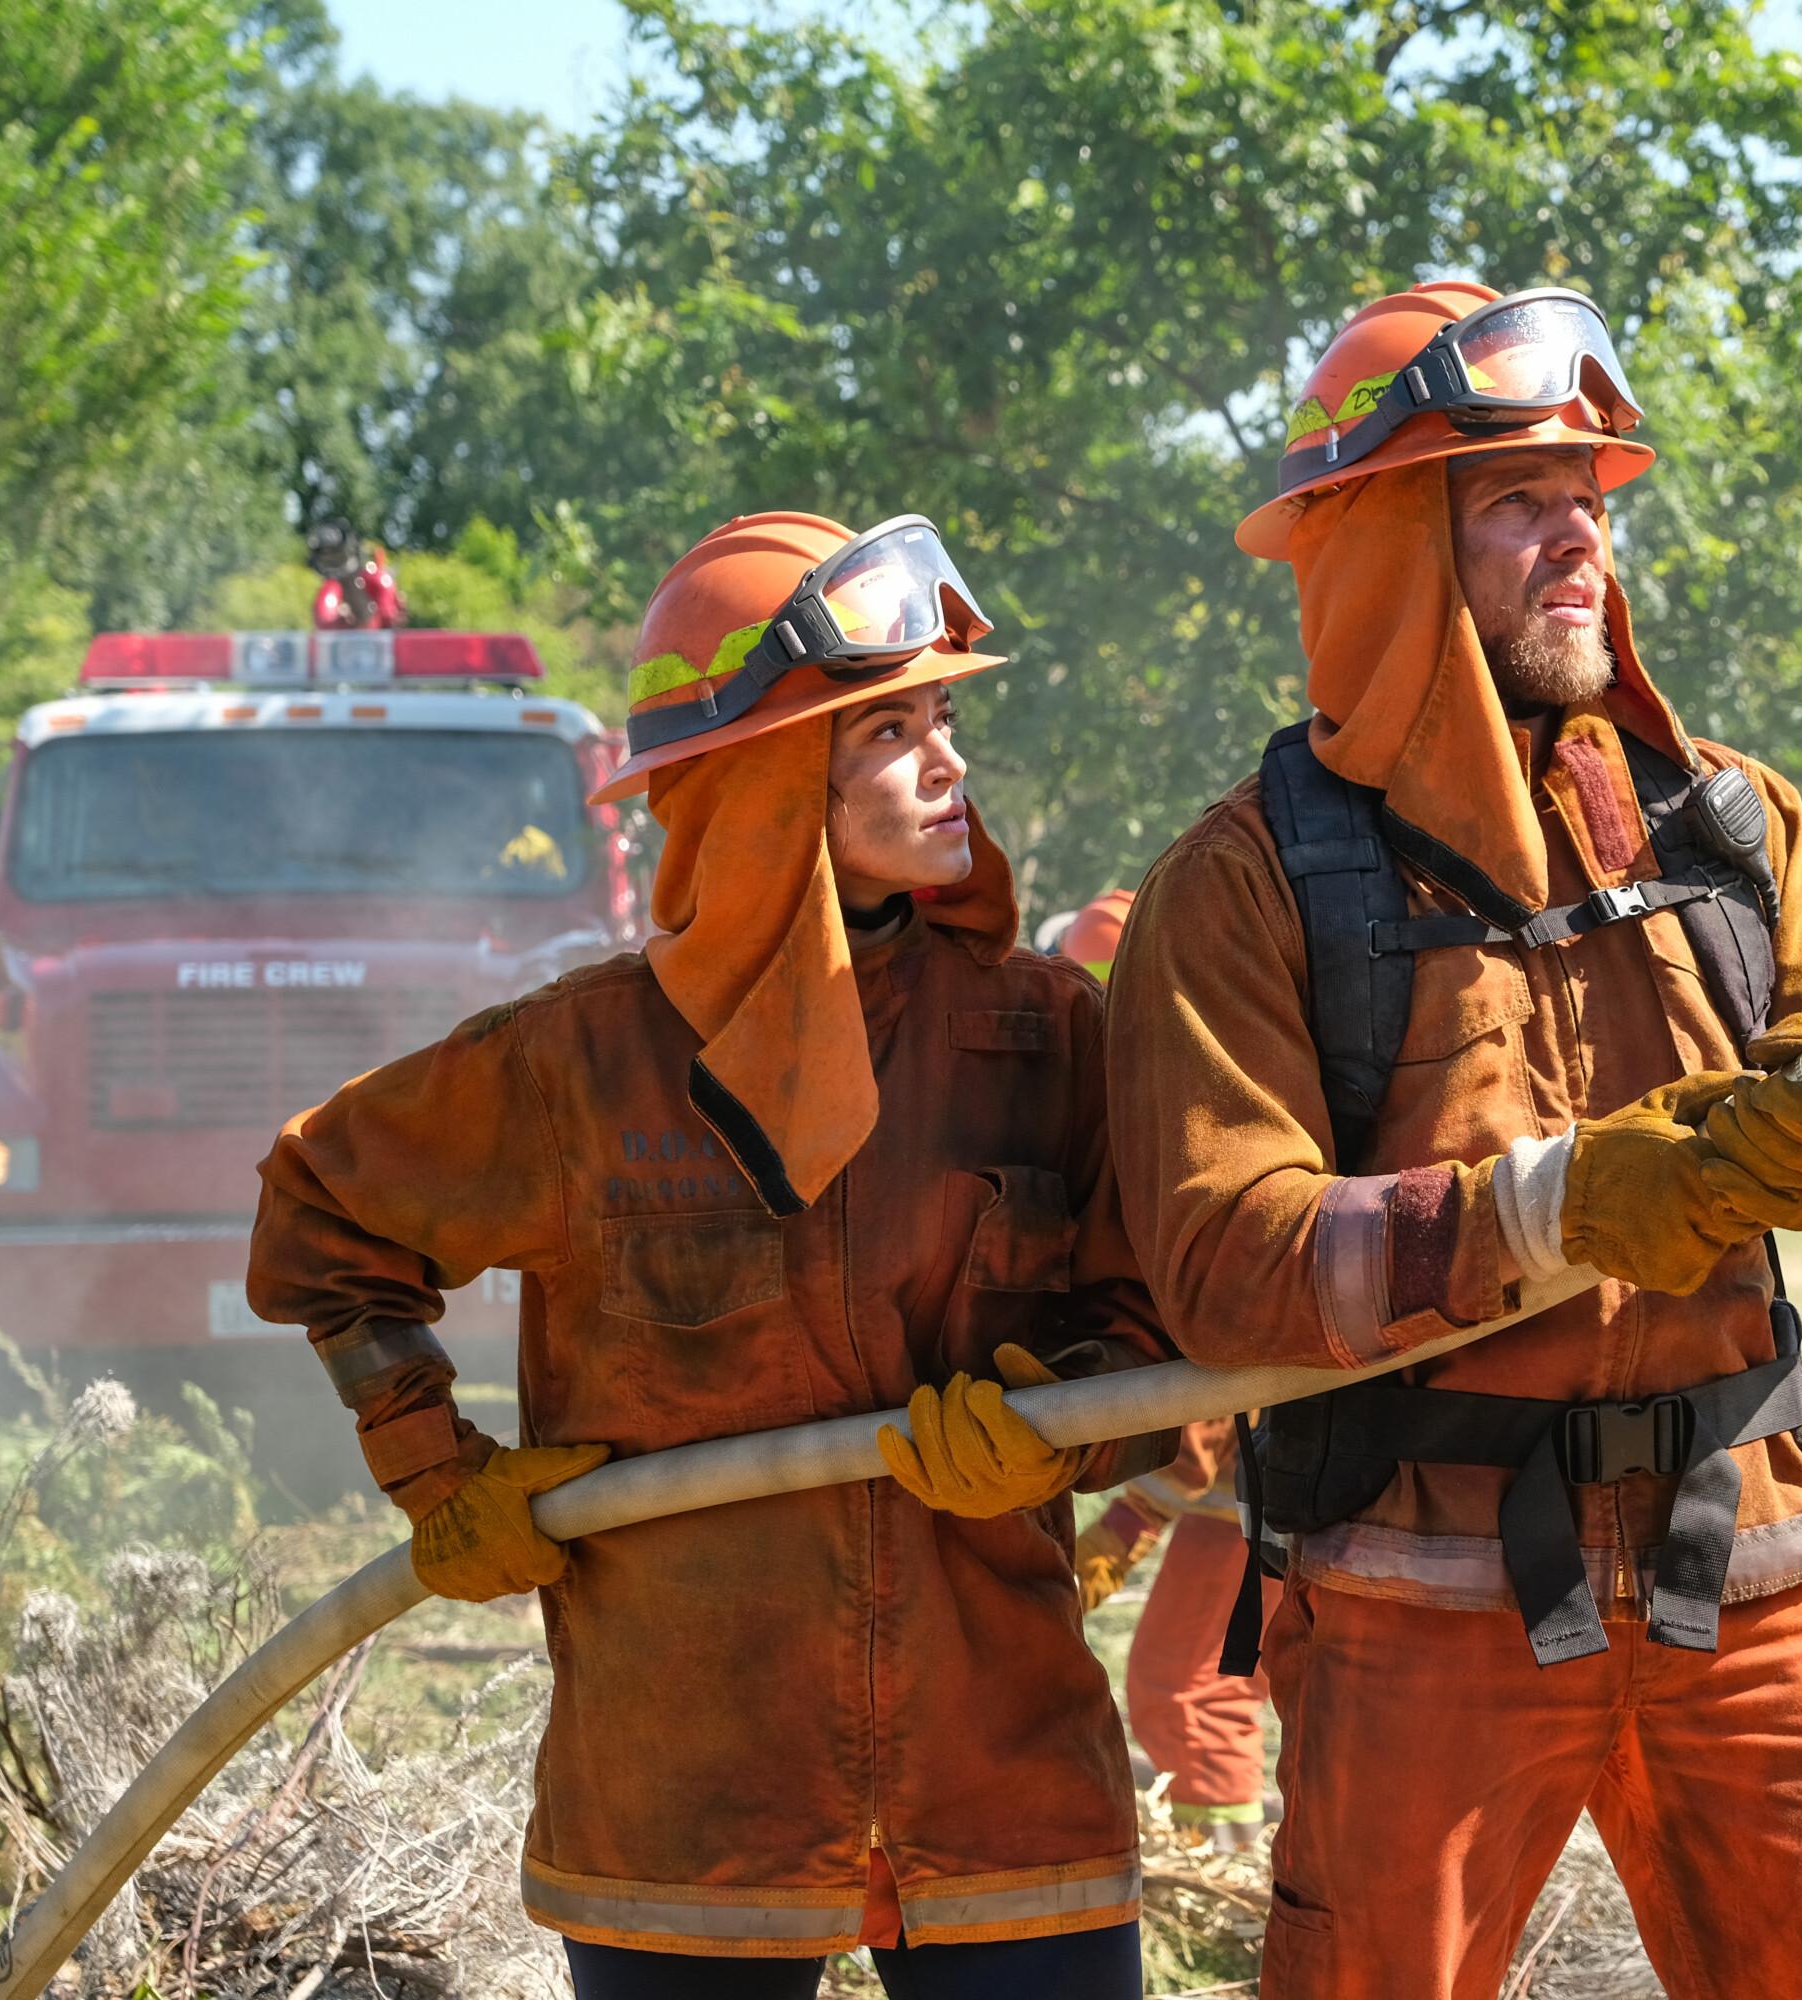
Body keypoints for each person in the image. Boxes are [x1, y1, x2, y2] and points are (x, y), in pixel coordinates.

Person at [1104, 280, 1802, 1999]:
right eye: (1516, 499)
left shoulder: (1729, 822)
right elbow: (1224, 1266)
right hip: (1420, 1597)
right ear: (1377, 547)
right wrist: (1563, 1204)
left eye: (1589, 496)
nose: (1580, 537)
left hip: (1747, 1568)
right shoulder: (1248, 888)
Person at [249, 511, 1165, 1999]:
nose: (951, 765)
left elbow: (1159, 1327)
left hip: (1003, 1786)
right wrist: (438, 1471)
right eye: (890, 731)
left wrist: (1062, 1439)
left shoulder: (1040, 1032)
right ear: (765, 769)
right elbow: (320, 1205)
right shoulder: (582, 1068)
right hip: (687, 1813)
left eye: (942, 720)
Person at [1052, 894, 1284, 1851]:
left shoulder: (1173, 1142)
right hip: (1259, 1488)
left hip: (1268, 1484)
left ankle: (1223, 1866)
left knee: (1191, 1685)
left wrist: (1126, 1520)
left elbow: (1205, 1386)